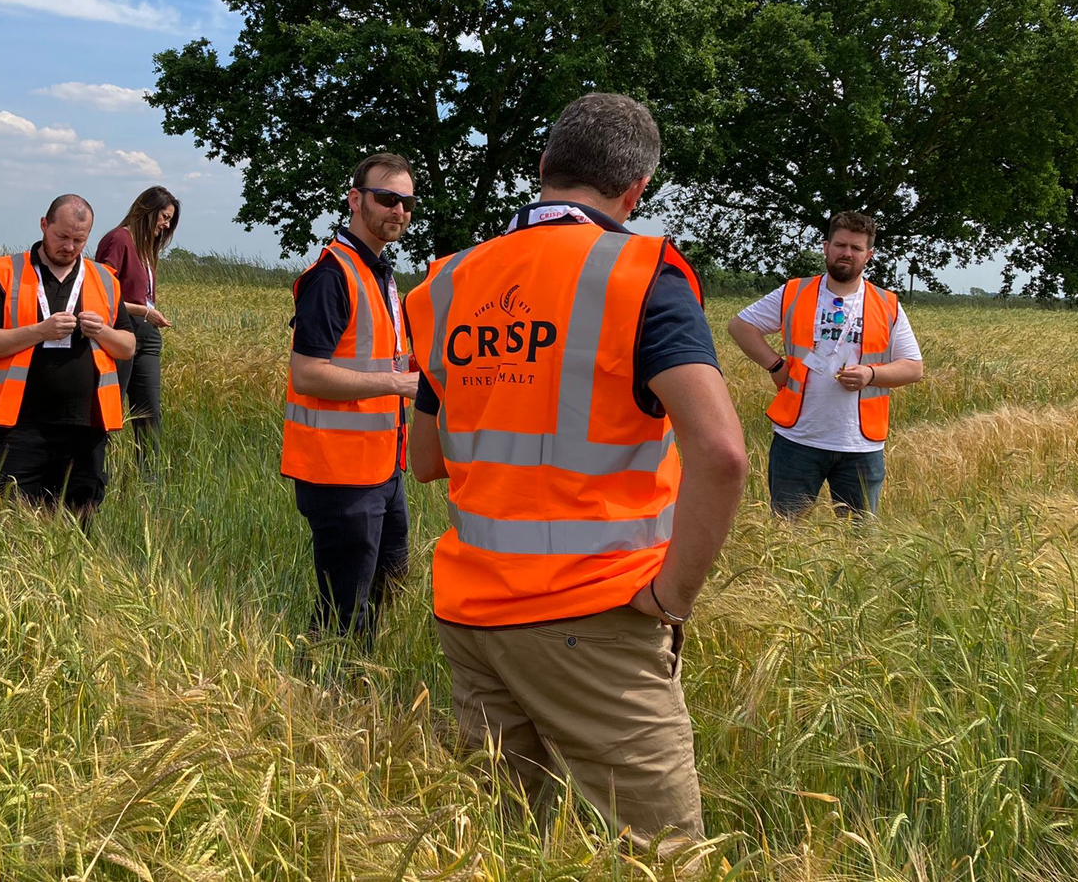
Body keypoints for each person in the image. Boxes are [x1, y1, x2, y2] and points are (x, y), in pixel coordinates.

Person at [404, 93, 748, 847]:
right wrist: (673, 596)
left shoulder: (447, 284)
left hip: (472, 615)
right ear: (636, 191)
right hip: (596, 615)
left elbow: (424, 459)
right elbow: (722, 454)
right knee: (660, 852)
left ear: (542, 169)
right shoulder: (644, 272)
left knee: (503, 845)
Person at [281, 153, 419, 644]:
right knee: (344, 606)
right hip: (338, 472)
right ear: (355, 199)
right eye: (387, 198)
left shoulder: (380, 273)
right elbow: (307, 374)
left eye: (406, 201)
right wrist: (398, 385)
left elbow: (380, 358)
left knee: (391, 579)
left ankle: (363, 674)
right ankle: (326, 694)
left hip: (382, 466)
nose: (397, 210)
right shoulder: (332, 275)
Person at [727, 210, 924, 519]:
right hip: (797, 440)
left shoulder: (887, 305)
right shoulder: (794, 292)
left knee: (859, 542)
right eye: (840, 245)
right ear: (826, 247)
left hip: (861, 445)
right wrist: (776, 366)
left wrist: (870, 374)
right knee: (786, 535)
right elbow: (740, 326)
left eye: (856, 248)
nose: (847, 253)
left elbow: (914, 367)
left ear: (868, 255)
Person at [0, 195, 136, 530]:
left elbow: (128, 346)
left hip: (87, 426)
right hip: (20, 424)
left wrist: (102, 331)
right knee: (9, 522)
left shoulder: (104, 279)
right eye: (62, 237)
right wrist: (39, 331)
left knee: (79, 525)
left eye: (80, 240)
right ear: (44, 226)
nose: (70, 247)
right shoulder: (7, 272)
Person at [95, 186, 180, 469]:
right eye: (164, 217)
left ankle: (147, 483)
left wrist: (149, 315)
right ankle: (93, 474)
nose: (166, 225)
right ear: (148, 210)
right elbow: (103, 294)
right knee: (109, 407)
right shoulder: (118, 240)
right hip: (122, 331)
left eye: (169, 220)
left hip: (147, 335)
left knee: (149, 414)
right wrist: (144, 310)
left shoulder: (146, 247)